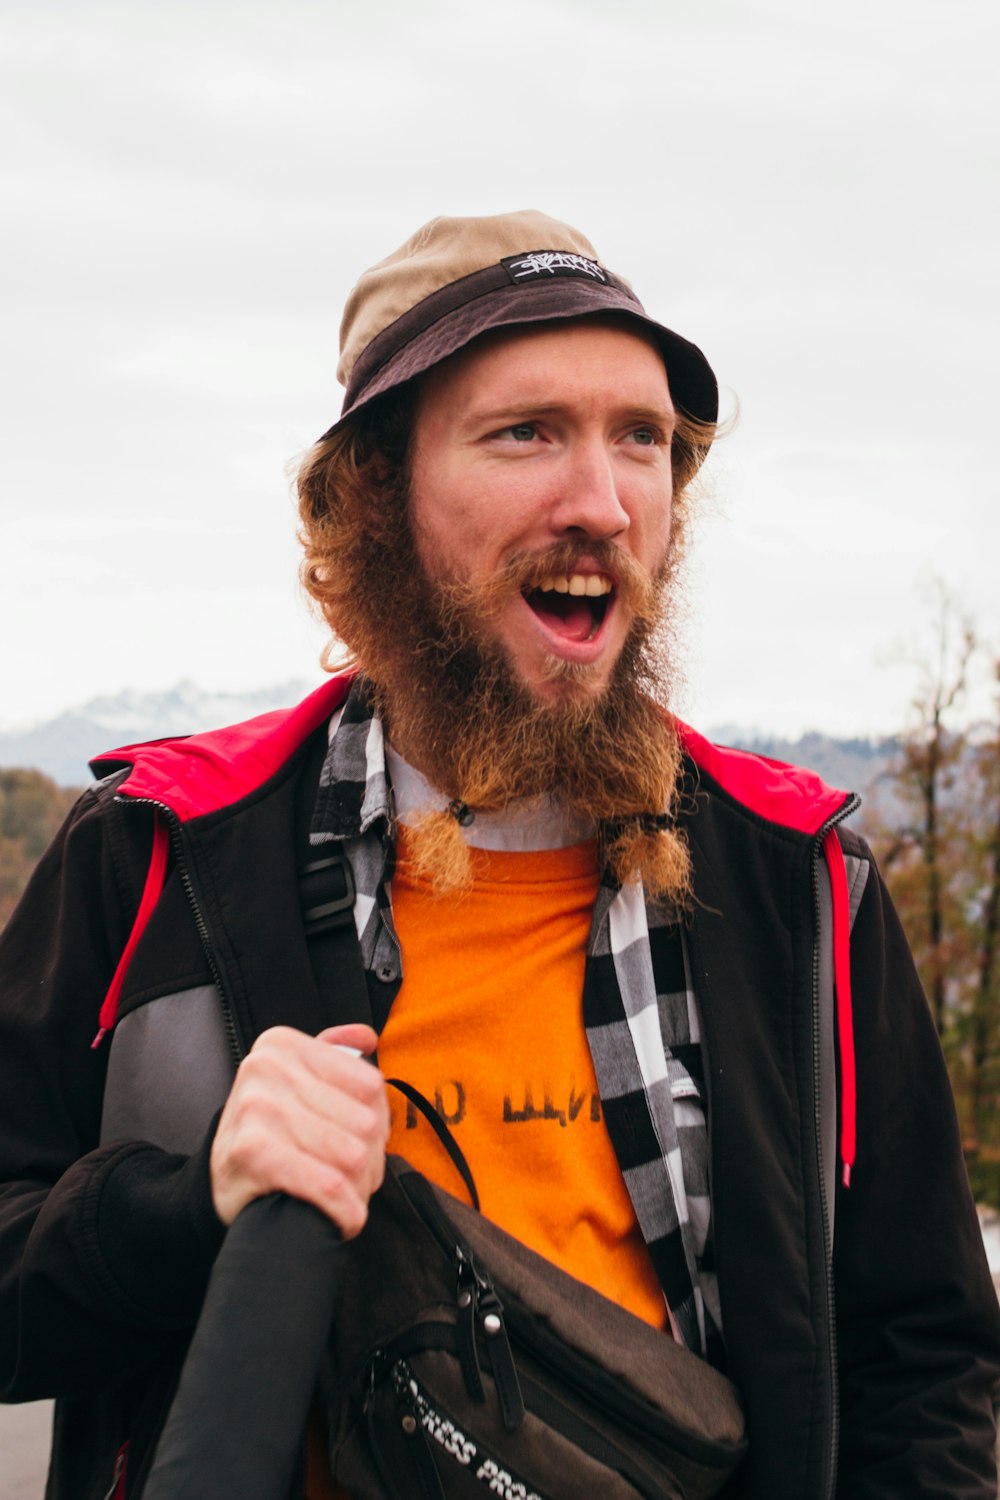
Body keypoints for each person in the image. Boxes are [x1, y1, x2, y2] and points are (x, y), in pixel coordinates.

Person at [0, 209, 997, 1500]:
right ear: (371, 491)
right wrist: (192, 1205)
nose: (601, 501)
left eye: (642, 439)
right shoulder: (161, 856)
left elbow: (925, 1358)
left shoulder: (796, 882)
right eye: (526, 432)